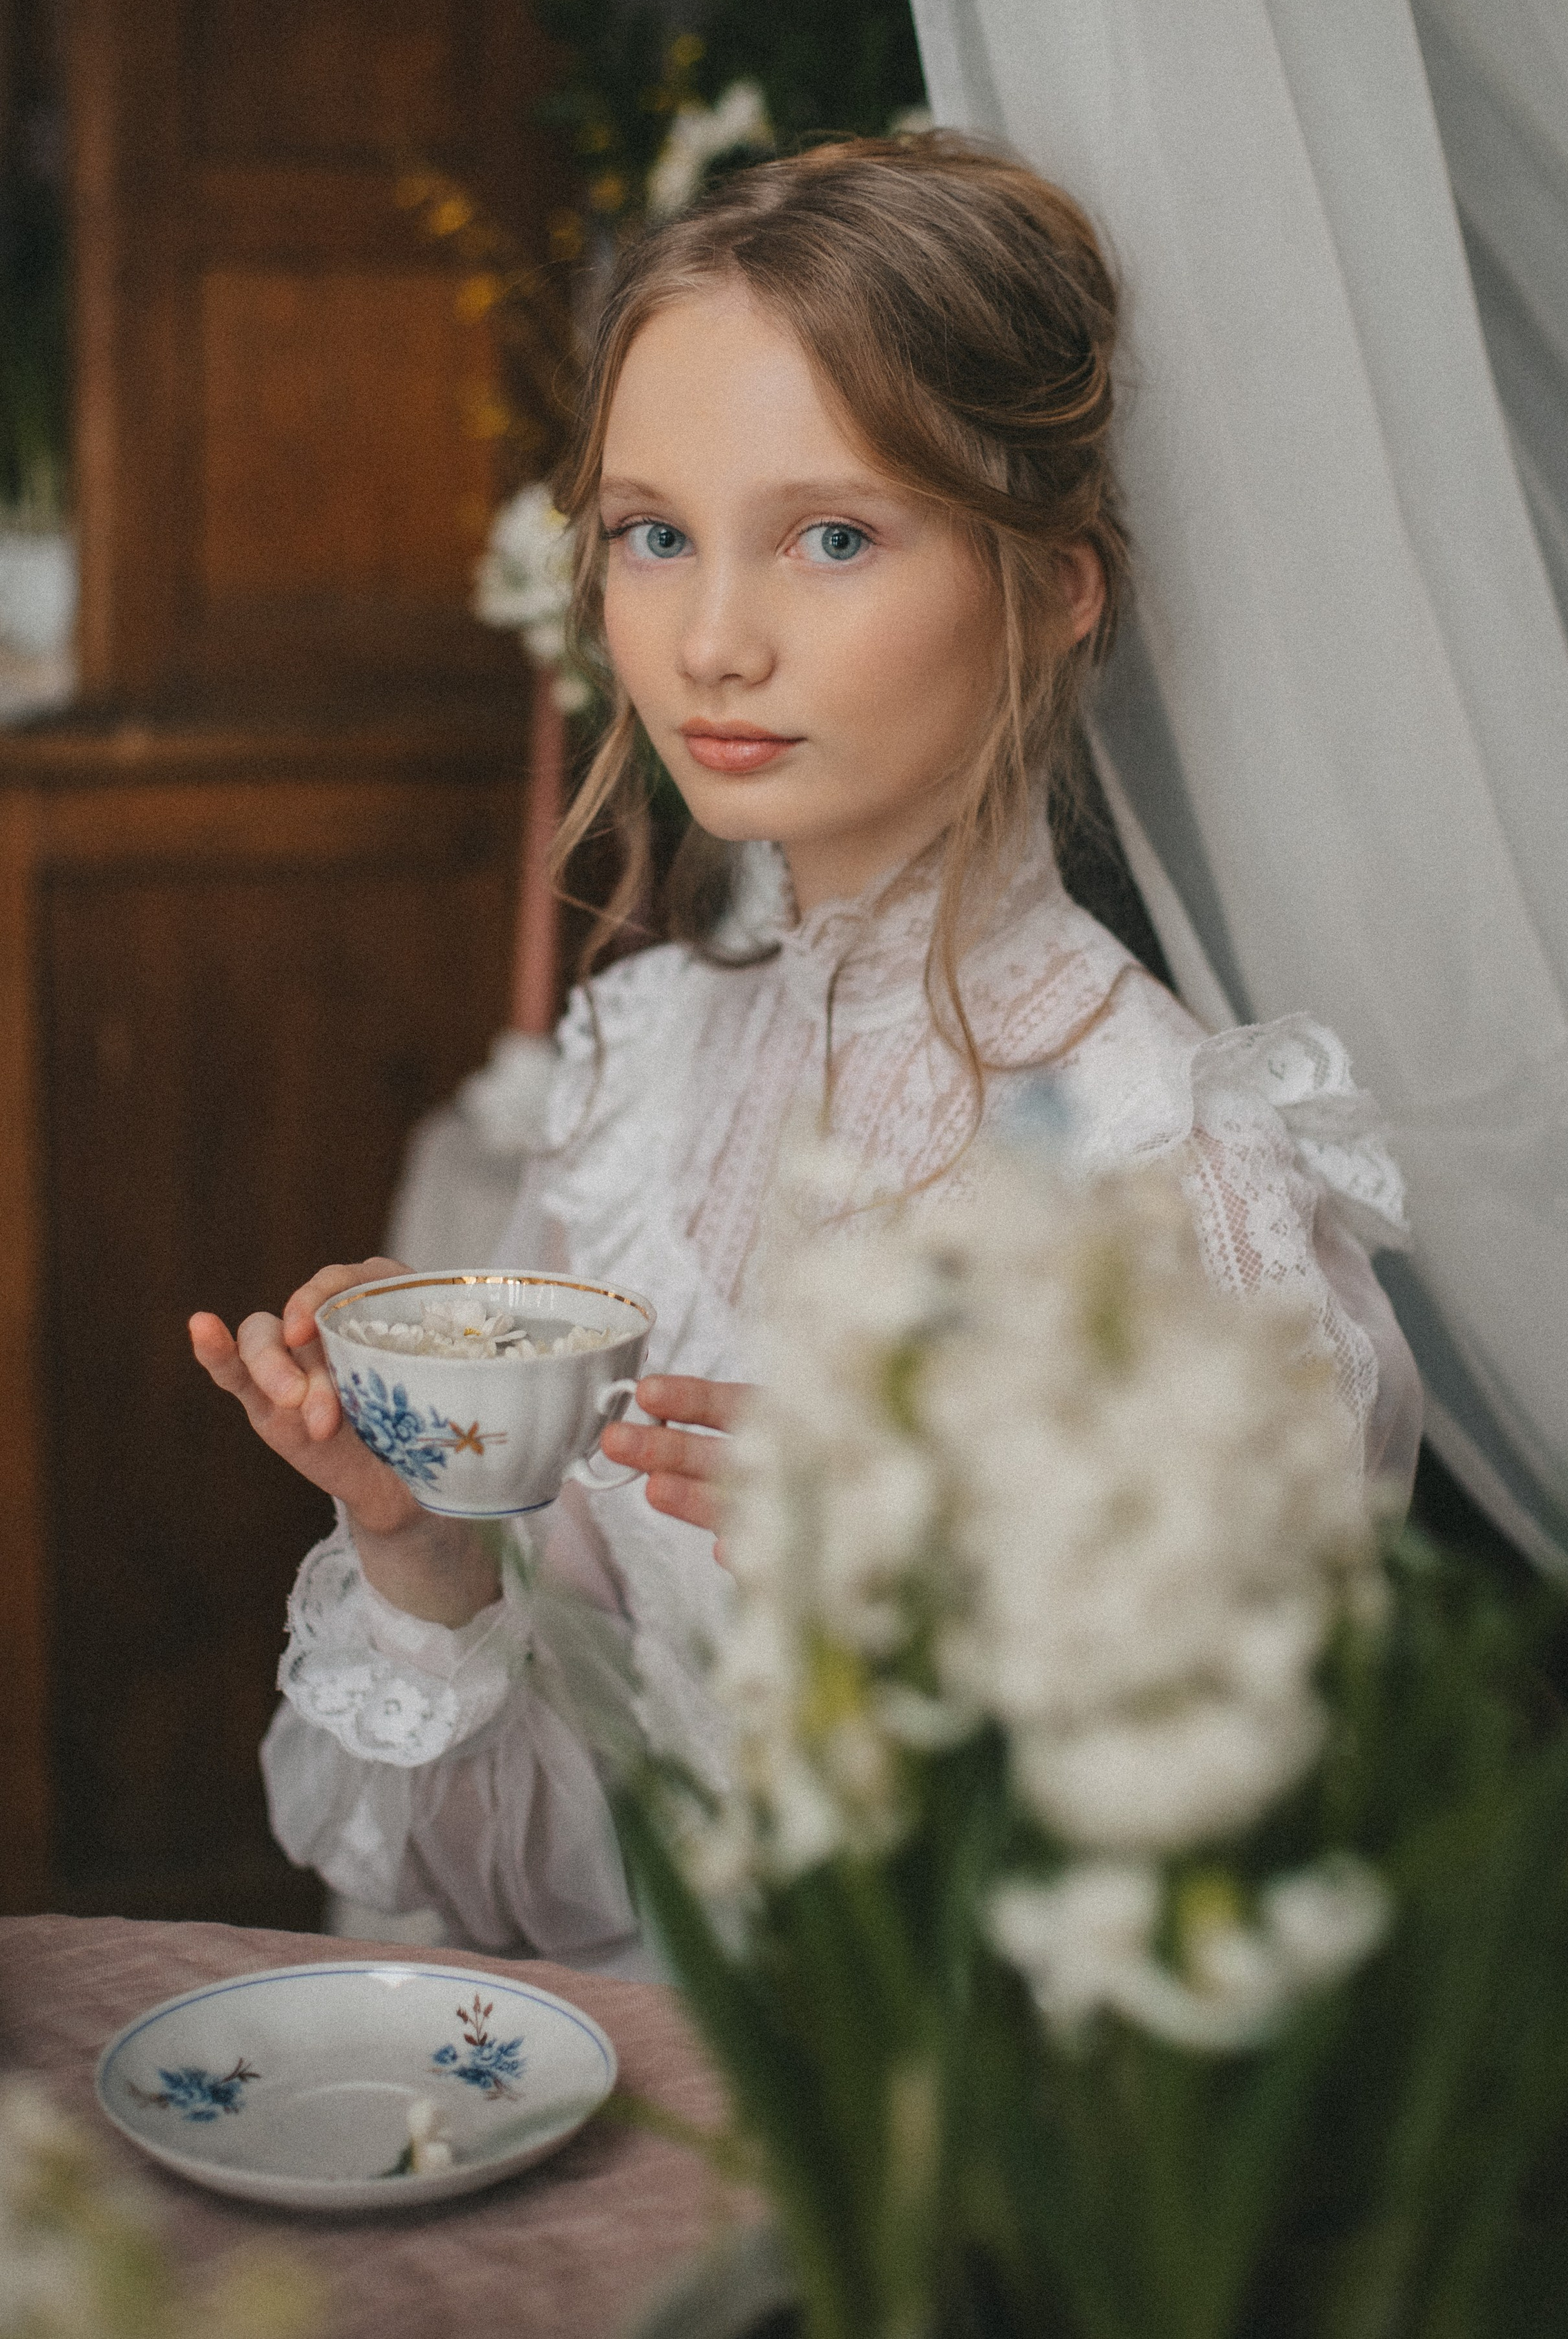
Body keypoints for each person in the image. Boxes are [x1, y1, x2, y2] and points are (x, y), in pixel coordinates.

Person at [189, 135, 1422, 1974]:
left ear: (1056, 587)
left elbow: (1222, 1968)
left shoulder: (1191, 1191)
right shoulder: (636, 1073)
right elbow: (576, 1887)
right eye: (651, 533)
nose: (710, 638)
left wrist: (912, 1604)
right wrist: (422, 1550)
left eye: (833, 535)